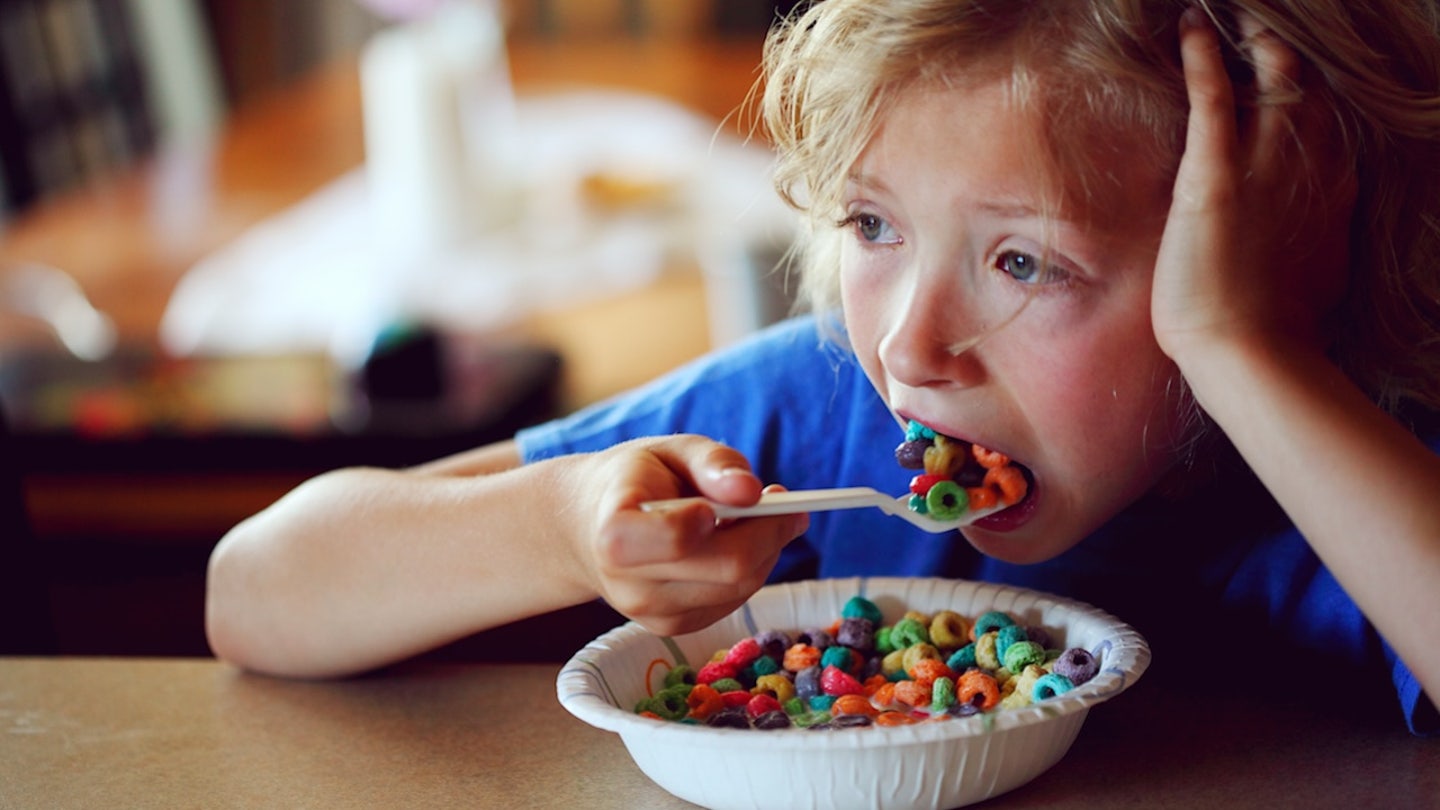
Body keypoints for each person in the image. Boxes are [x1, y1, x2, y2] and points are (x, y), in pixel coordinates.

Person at [205, 0, 1440, 734]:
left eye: (1024, 264)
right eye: (873, 227)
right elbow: (256, 591)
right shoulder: (816, 411)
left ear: (1281, 258)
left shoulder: (1362, 469)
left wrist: (1244, 350)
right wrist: (564, 528)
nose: (908, 343)